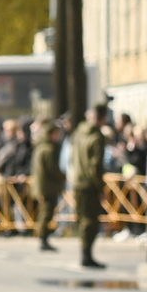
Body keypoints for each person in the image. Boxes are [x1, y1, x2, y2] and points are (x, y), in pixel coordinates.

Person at [70, 104, 110, 269]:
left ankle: (84, 252)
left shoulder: (79, 132)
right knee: (90, 220)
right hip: (89, 183)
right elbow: (96, 165)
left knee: (82, 218)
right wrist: (100, 187)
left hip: (77, 180)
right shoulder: (97, 137)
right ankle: (86, 255)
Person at [31, 119, 66, 252]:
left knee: (45, 212)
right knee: (46, 212)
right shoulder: (49, 149)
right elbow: (52, 169)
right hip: (48, 186)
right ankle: (43, 238)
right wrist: (63, 177)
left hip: (44, 185)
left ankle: (43, 237)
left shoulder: (41, 147)